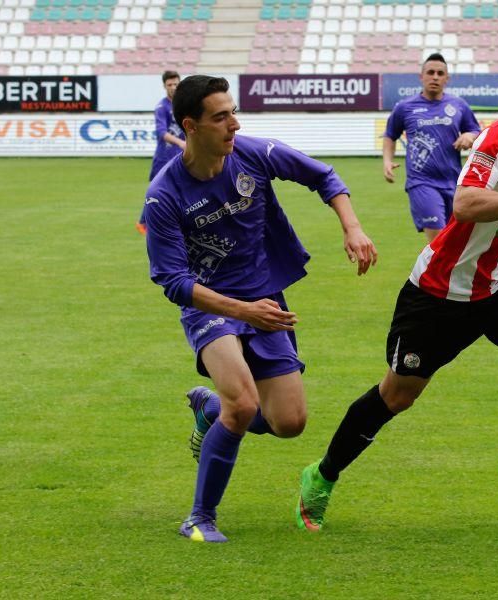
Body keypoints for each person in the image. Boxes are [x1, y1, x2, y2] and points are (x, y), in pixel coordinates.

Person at [296, 50, 498, 531]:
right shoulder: (497, 139)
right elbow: (467, 202)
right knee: (397, 395)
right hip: (440, 293)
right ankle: (322, 475)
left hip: (496, 283)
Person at [143, 75, 378, 543]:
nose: (234, 123)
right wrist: (243, 311)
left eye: (233, 112)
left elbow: (324, 176)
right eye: (221, 116)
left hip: (263, 299)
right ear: (190, 126)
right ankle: (199, 517)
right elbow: (174, 282)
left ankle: (210, 409)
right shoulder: (164, 194)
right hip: (210, 306)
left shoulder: (253, 153)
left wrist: (352, 228)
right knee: (244, 402)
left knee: (288, 423)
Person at [382, 52, 481, 243]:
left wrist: (469, 136)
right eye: (430, 72)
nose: (435, 77)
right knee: (439, 243)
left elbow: (475, 129)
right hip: (421, 183)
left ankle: (438, 273)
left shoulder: (458, 105)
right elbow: (390, 135)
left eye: (440, 73)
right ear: (421, 76)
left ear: (447, 79)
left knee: (458, 242)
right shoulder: (405, 107)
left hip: (454, 183)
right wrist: (387, 161)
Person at [136, 70, 186, 235]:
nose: (173, 87)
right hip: (164, 157)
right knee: (157, 190)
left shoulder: (184, 105)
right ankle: (143, 222)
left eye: (175, 84)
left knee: (183, 188)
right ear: (164, 86)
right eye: (169, 85)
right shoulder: (161, 107)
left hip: (182, 156)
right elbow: (161, 133)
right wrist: (180, 142)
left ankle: (178, 221)